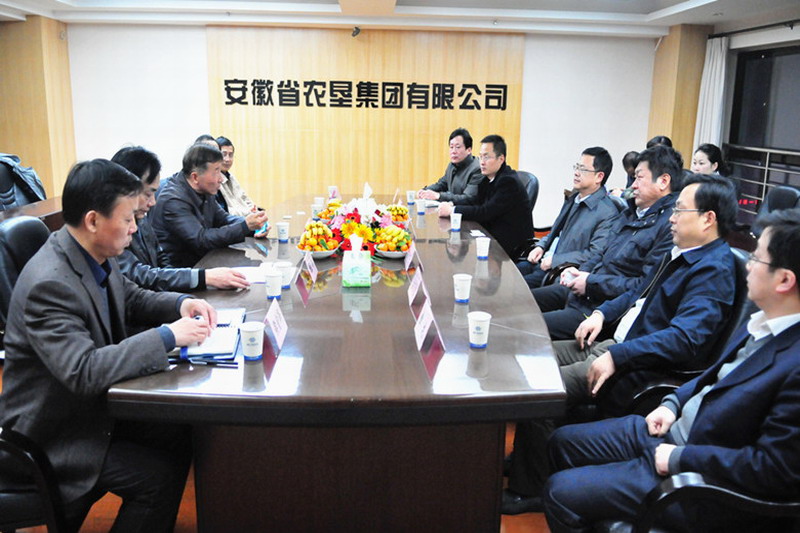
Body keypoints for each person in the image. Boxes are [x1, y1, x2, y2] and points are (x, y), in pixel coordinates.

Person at [542, 208, 800, 532]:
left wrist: (679, 458)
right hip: (671, 429)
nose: (748, 265)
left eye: (757, 258)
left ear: (784, 280)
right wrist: (674, 402)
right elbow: (715, 375)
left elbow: (773, 469)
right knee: (562, 442)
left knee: (560, 493)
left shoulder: (794, 364)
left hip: (698, 478)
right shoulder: (764, 321)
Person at [504, 173, 739, 515]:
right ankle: (529, 459)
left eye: (679, 211)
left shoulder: (713, 271)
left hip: (635, 363)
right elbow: (635, 293)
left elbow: (684, 340)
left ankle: (531, 488)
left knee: (542, 386)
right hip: (615, 342)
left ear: (708, 219)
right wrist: (601, 313)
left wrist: (618, 354)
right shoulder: (681, 252)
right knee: (531, 358)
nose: (671, 218)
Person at [0, 159, 216, 532]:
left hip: (86, 411)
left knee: (179, 431)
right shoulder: (49, 284)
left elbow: (129, 296)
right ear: (93, 220)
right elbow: (83, 371)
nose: (135, 227)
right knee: (157, 479)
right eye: (128, 218)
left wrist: (181, 304)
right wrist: (168, 336)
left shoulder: (90, 251)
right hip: (54, 432)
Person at [535, 145, 683, 340]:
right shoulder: (631, 213)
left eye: (639, 177)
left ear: (663, 181)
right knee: (522, 302)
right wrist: (580, 274)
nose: (633, 185)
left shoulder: (669, 227)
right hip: (585, 292)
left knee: (526, 326)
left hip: (602, 309)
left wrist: (590, 283)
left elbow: (641, 286)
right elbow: (600, 252)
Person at [111, 146, 250, 291]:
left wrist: (252, 226)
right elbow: (140, 276)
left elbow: (161, 258)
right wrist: (201, 277)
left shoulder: (140, 218)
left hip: (171, 282)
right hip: (180, 272)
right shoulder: (172, 199)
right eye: (148, 194)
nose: (153, 202)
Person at [150, 143, 269, 267]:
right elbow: (201, 240)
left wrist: (254, 224)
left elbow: (223, 219)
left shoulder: (204, 189)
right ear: (195, 177)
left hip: (205, 259)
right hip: (181, 270)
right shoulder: (173, 200)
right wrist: (245, 227)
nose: (221, 179)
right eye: (216, 172)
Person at [517, 147, 619, 288]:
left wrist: (555, 260)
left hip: (557, 271)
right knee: (504, 275)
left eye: (583, 169)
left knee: (513, 288)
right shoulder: (574, 197)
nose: (576, 173)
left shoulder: (607, 213)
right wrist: (541, 245)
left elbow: (594, 254)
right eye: (577, 167)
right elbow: (556, 231)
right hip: (542, 260)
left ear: (599, 177)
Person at [437, 135, 533, 258]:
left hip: (511, 247)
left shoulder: (508, 182)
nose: (481, 162)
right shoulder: (488, 179)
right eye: (481, 156)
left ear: (501, 159)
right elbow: (475, 201)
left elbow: (485, 212)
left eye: (486, 157)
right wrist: (452, 204)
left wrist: (452, 211)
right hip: (491, 237)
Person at [418, 127, 483, 204]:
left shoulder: (478, 169)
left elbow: (468, 198)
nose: (453, 151)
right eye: (451, 147)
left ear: (469, 150)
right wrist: (425, 191)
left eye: (457, 147)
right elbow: (442, 184)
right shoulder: (452, 165)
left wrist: (439, 196)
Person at [215, 136, 259, 217]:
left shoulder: (230, 176)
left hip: (245, 217)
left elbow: (245, 198)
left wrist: (253, 209)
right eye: (223, 154)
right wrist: (248, 212)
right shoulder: (214, 180)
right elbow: (226, 212)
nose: (227, 159)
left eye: (230, 155)